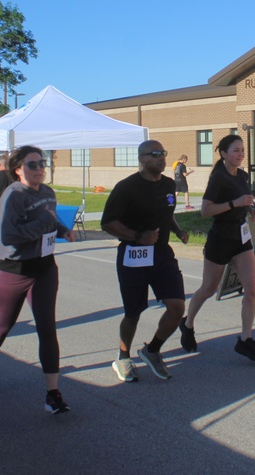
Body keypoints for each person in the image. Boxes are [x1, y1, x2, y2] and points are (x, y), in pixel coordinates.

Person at [0, 145, 75, 415]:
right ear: (18, 169)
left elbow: (51, 220)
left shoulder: (47, 193)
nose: (40, 169)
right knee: (4, 324)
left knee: (47, 328)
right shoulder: (13, 195)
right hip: (14, 269)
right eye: (32, 165)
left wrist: (63, 230)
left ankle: (52, 393)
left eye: (42, 163)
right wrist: (44, 224)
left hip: (44, 267)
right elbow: (9, 235)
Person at [101, 140, 189, 381]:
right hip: (134, 256)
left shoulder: (169, 185)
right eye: (155, 154)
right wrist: (138, 236)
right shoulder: (126, 188)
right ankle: (123, 356)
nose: (161, 158)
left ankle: (152, 350)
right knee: (133, 312)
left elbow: (166, 214)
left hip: (162, 255)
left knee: (177, 307)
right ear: (142, 159)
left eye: (163, 153)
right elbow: (108, 223)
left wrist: (178, 231)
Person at [179, 134, 255, 361]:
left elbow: (243, 202)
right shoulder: (218, 178)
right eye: (236, 150)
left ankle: (245, 340)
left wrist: (249, 210)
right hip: (220, 238)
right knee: (208, 289)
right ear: (224, 154)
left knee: (253, 288)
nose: (240, 154)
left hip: (241, 237)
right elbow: (206, 210)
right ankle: (187, 324)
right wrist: (234, 204)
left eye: (242, 150)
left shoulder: (243, 176)